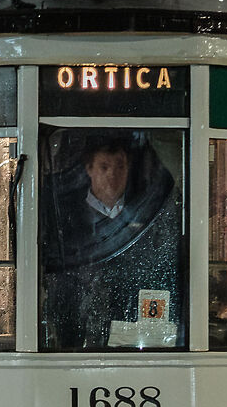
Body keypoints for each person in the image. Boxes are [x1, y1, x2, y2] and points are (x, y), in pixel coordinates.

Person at [41, 131, 185, 350]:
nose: (113, 175)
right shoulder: (65, 217)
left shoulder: (149, 214)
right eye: (104, 167)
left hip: (130, 335)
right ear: (89, 170)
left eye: (120, 167)